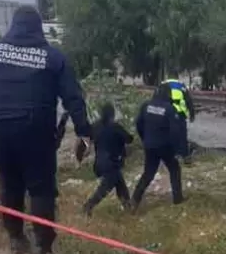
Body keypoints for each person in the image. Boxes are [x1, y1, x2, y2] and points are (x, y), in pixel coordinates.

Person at [0, 5, 91, 254]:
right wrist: (83, 131)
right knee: (41, 187)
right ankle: (43, 247)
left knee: (9, 182)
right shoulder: (54, 57)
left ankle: (15, 238)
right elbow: (73, 98)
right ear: (37, 28)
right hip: (36, 128)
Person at [130, 83, 186, 211]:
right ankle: (178, 199)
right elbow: (175, 131)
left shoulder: (146, 106)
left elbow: (138, 124)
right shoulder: (169, 108)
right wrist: (177, 148)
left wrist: (145, 138)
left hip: (149, 145)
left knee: (148, 173)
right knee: (174, 169)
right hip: (165, 146)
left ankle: (134, 200)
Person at [81, 102, 134, 216]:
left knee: (120, 182)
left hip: (99, 163)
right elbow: (129, 139)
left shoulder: (95, 126)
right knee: (105, 188)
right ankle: (88, 206)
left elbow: (86, 138)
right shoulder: (115, 127)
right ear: (112, 114)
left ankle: (128, 206)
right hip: (111, 162)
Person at [162, 77, 196, 164]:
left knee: (168, 134)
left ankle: (170, 155)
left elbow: (157, 100)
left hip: (167, 113)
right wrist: (192, 113)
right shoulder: (181, 85)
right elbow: (188, 100)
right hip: (180, 113)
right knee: (182, 135)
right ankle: (185, 155)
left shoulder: (163, 85)